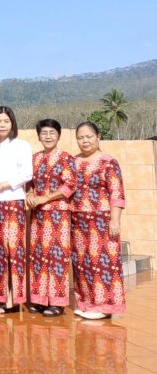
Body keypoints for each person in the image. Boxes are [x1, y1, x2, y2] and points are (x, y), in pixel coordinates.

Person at [71, 121, 126, 320]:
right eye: (81, 137)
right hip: (77, 221)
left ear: (98, 136)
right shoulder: (74, 161)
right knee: (82, 263)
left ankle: (104, 306)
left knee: (103, 262)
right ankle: (86, 303)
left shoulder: (108, 162)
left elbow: (117, 192)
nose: (85, 141)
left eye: (89, 136)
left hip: (101, 221)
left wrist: (115, 220)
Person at [0, 106, 32, 314]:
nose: (2, 125)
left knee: (15, 249)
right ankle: (1, 296)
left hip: (14, 202)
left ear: (12, 123)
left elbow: (26, 174)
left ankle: (15, 296)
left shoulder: (22, 146)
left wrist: (2, 185)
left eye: (6, 121)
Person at [26, 119, 76, 317]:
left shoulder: (65, 158)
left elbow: (70, 185)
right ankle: (39, 299)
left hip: (58, 214)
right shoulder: (34, 158)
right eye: (44, 133)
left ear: (58, 135)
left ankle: (57, 302)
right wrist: (30, 194)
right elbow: (28, 182)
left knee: (56, 257)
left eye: (52, 133)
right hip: (38, 215)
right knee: (38, 255)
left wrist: (46, 197)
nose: (48, 136)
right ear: (38, 136)